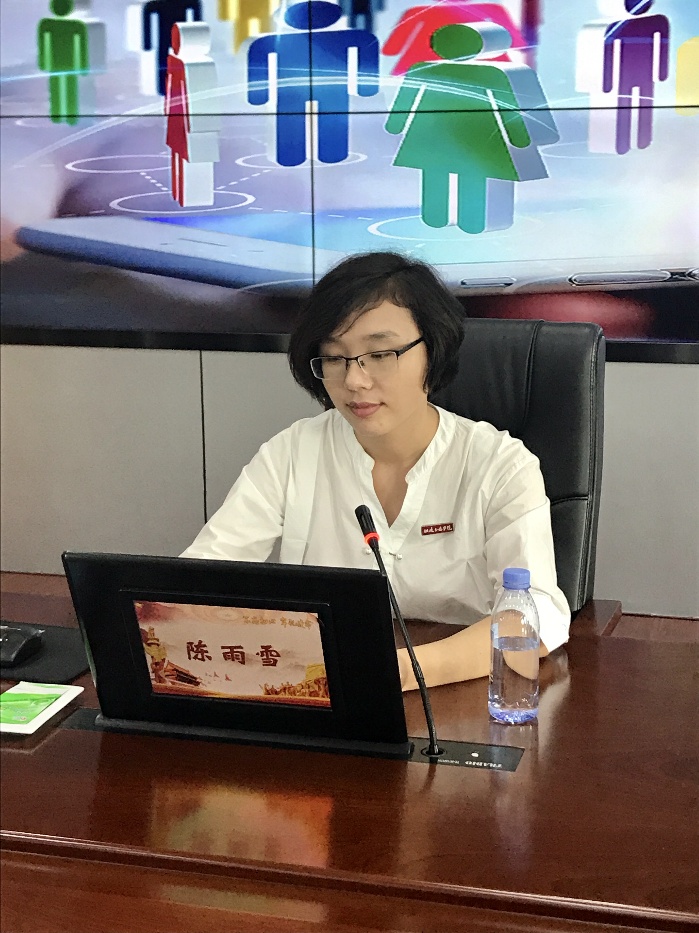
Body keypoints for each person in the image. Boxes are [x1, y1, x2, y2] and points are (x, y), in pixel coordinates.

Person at [181, 251, 570, 691]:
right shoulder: (292, 453)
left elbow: (535, 615)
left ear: (433, 350)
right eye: (334, 357)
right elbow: (196, 582)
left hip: (466, 693)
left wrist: (393, 671)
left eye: (380, 353)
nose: (355, 381)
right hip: (324, 690)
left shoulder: (499, 464)